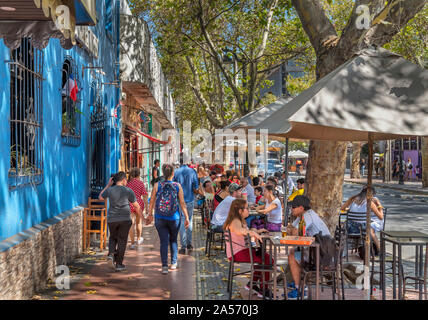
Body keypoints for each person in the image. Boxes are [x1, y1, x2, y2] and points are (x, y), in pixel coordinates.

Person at [223, 198, 274, 299]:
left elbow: (243, 231)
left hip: (241, 250)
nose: (249, 210)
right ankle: (264, 289)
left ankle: (253, 284)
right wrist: (252, 233)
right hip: (238, 253)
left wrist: (257, 231)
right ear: (240, 211)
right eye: (246, 208)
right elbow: (238, 230)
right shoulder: (235, 221)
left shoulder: (237, 220)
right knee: (267, 259)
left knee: (265, 258)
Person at [148, 164, 190, 274]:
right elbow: (182, 203)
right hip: (174, 217)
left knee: (163, 242)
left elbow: (151, 201)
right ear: (173, 173)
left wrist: (150, 214)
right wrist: (186, 217)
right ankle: (174, 263)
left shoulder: (157, 185)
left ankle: (164, 266)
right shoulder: (177, 186)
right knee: (173, 240)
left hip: (159, 217)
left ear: (163, 173)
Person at [286, 195, 331, 299]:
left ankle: (300, 289)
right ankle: (300, 283)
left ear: (301, 208)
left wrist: (292, 231)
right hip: (317, 250)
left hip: (323, 254)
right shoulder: (303, 216)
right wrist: (292, 230)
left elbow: (294, 233)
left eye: (293, 207)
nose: (291, 209)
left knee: (292, 255)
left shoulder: (307, 216)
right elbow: (290, 228)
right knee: (294, 252)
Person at [99, 172, 143, 271]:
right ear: (123, 180)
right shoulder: (128, 190)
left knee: (113, 237)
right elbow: (136, 205)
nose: (126, 181)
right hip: (125, 219)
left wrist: (108, 185)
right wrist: (143, 218)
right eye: (126, 180)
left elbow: (100, 197)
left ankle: (111, 254)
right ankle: (119, 264)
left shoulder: (110, 190)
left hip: (112, 219)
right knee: (122, 241)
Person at [340, 186, 384, 254]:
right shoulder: (370, 203)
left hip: (350, 228)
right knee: (371, 229)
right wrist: (379, 205)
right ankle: (380, 250)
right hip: (363, 229)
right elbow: (381, 217)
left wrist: (351, 211)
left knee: (370, 227)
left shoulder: (352, 199)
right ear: (371, 195)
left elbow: (342, 208)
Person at [174, 155, 200, 254]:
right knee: (190, 220)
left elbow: (174, 187)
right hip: (190, 199)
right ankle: (189, 244)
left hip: (180, 201)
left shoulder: (176, 172)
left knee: (182, 220)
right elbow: (196, 187)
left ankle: (183, 245)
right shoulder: (192, 171)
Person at [127, 168, 148, 249]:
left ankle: (132, 243)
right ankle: (139, 239)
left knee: (131, 223)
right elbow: (145, 196)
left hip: (130, 204)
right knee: (138, 222)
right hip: (139, 203)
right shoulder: (140, 183)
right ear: (139, 174)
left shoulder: (128, 183)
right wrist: (147, 207)